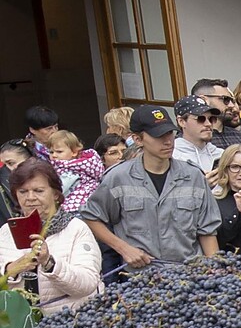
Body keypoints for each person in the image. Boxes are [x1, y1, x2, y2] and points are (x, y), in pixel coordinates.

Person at [81, 106, 220, 267]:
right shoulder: (118, 177)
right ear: (138, 139)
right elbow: (91, 216)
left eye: (170, 133)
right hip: (141, 279)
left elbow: (207, 231)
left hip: (189, 275)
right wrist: (124, 249)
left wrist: (213, 272)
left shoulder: (193, 176)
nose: (168, 141)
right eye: (159, 135)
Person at [0, 161, 100, 314]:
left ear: (55, 194)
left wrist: (49, 263)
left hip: (73, 321)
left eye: (38, 191)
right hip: (22, 327)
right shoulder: (6, 231)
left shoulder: (75, 228)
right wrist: (10, 270)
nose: (30, 197)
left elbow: (87, 284)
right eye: (23, 191)